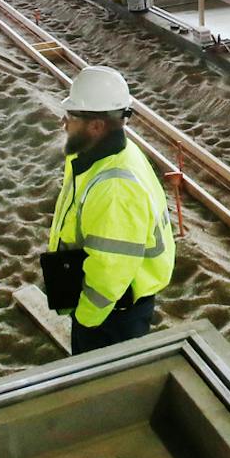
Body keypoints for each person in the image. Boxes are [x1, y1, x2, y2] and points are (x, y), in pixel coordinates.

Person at [42, 66, 175, 353]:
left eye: (71, 116)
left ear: (96, 126)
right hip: (111, 304)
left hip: (113, 314)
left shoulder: (115, 187)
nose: (63, 122)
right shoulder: (100, 155)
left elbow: (110, 272)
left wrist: (86, 319)